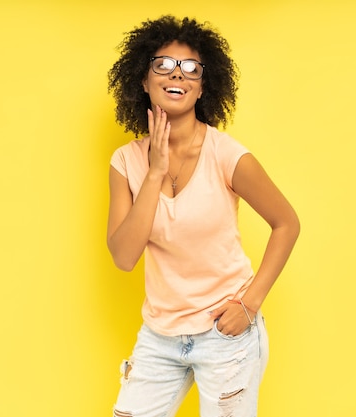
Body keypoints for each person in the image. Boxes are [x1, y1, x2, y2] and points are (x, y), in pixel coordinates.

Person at [106, 15, 300, 417]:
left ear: (202, 87)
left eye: (191, 68)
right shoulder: (125, 162)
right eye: (163, 64)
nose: (177, 74)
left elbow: (287, 223)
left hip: (224, 335)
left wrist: (250, 302)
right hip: (159, 336)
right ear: (143, 80)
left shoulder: (227, 155)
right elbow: (124, 258)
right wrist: (155, 170)